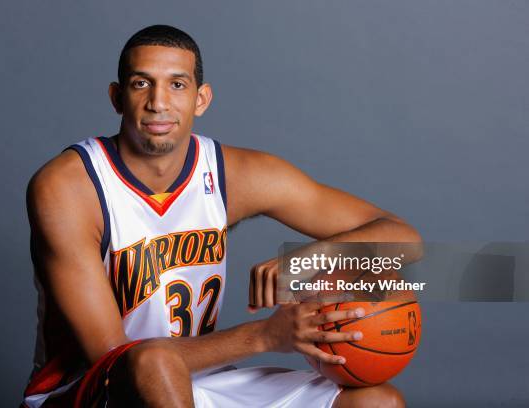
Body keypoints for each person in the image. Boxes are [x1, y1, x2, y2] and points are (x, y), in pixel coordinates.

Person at [22, 25, 421, 408]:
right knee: (153, 362)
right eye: (141, 83)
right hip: (89, 390)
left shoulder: (232, 174)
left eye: (177, 84)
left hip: (200, 377)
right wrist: (265, 336)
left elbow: (405, 239)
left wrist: (313, 257)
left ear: (201, 99)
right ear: (116, 97)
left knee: (378, 401)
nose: (158, 101)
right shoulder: (69, 187)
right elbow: (115, 357)